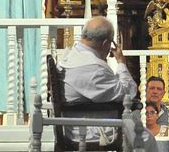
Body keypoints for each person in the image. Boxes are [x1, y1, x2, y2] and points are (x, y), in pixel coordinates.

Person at [59, 16, 138, 144]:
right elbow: (128, 92)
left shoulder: (69, 55)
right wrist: (121, 63)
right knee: (144, 137)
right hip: (91, 130)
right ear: (105, 43)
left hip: (71, 126)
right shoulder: (93, 67)